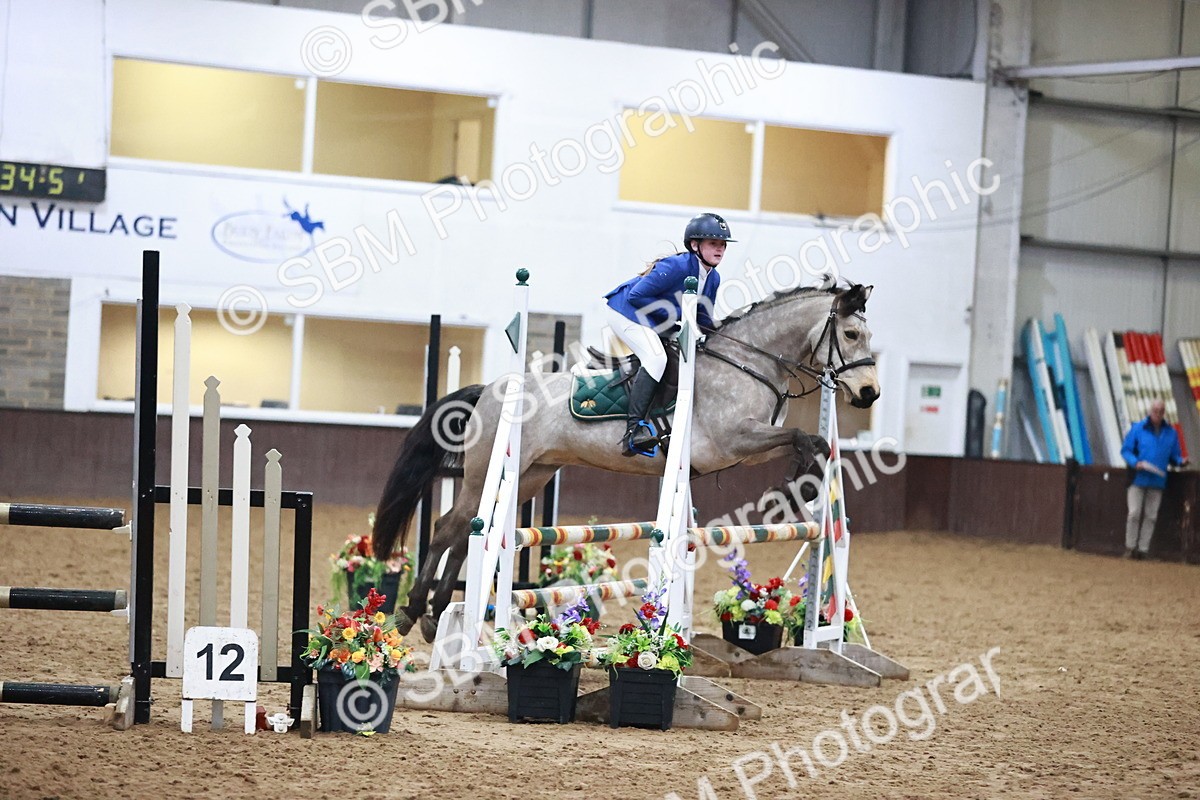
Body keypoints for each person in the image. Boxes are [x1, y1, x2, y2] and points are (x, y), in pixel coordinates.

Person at [603, 212, 732, 456]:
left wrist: (726, 335)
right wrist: (679, 315)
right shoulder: (677, 266)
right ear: (695, 245)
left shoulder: (713, 278)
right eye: (713, 243)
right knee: (656, 358)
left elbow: (703, 320)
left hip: (655, 318)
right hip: (626, 312)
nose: (720, 249)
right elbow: (636, 296)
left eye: (723, 244)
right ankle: (633, 431)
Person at [1120, 399, 1187, 559]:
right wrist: (1135, 462)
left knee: (1151, 516)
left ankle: (1143, 550)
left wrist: (1181, 461)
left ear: (1164, 413)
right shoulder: (1137, 428)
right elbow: (1126, 450)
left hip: (1157, 481)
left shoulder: (1171, 433)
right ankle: (1130, 547)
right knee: (1134, 513)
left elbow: (1174, 456)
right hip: (1137, 478)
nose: (1158, 414)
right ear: (1150, 411)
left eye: (1161, 411)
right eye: (1155, 410)